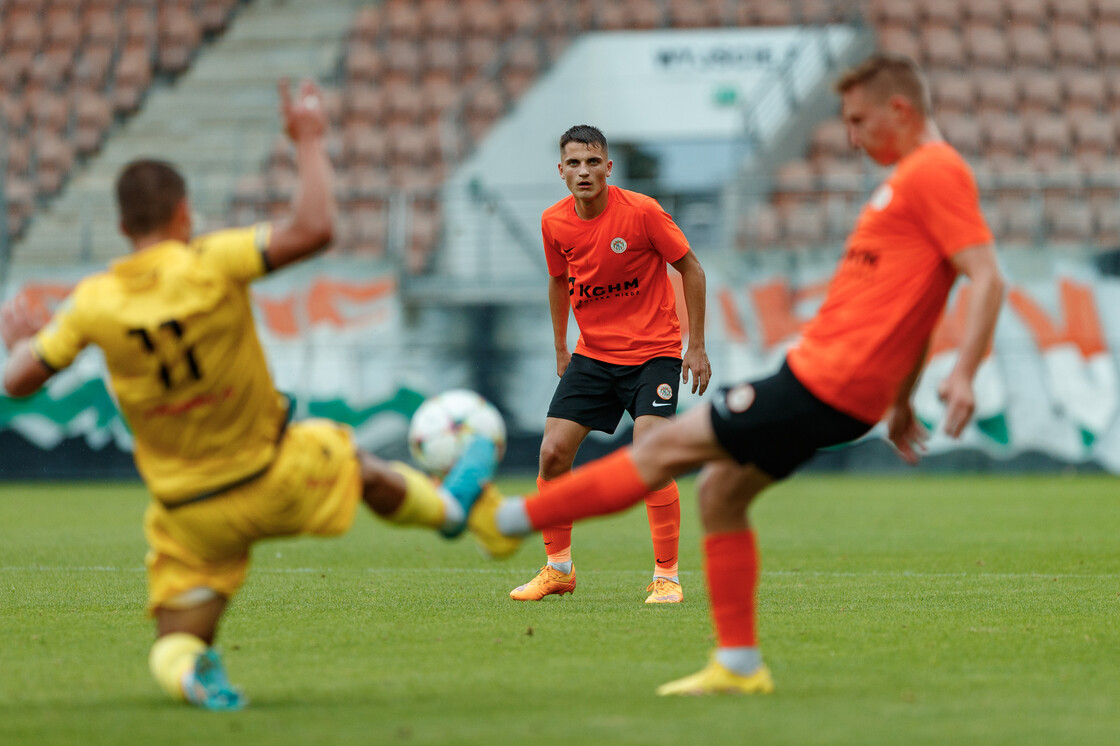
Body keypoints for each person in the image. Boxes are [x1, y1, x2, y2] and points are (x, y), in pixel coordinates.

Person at [475, 53, 1006, 693]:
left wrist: (967, 373)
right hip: (841, 385)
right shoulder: (909, 183)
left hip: (822, 379)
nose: (852, 136)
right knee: (721, 493)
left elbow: (986, 277)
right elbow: (920, 303)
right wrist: (901, 398)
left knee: (665, 447)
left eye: (859, 120)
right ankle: (738, 665)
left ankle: (505, 523)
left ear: (900, 110)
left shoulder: (934, 171)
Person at [0, 78, 503, 711]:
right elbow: (315, 228)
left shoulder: (92, 303)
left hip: (189, 511)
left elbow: (17, 383)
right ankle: (452, 512)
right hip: (274, 473)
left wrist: (28, 339)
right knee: (351, 460)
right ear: (185, 213)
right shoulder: (212, 258)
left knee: (174, 643)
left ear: (124, 226)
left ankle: (193, 674)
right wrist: (310, 138)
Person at [509, 125, 711, 604]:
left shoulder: (642, 213)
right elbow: (559, 282)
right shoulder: (553, 222)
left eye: (593, 162)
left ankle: (667, 577)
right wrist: (561, 346)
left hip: (654, 353)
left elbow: (692, 269)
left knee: (650, 456)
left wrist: (696, 345)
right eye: (574, 164)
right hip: (594, 354)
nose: (584, 172)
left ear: (608, 168)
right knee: (552, 454)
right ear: (561, 172)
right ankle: (558, 568)